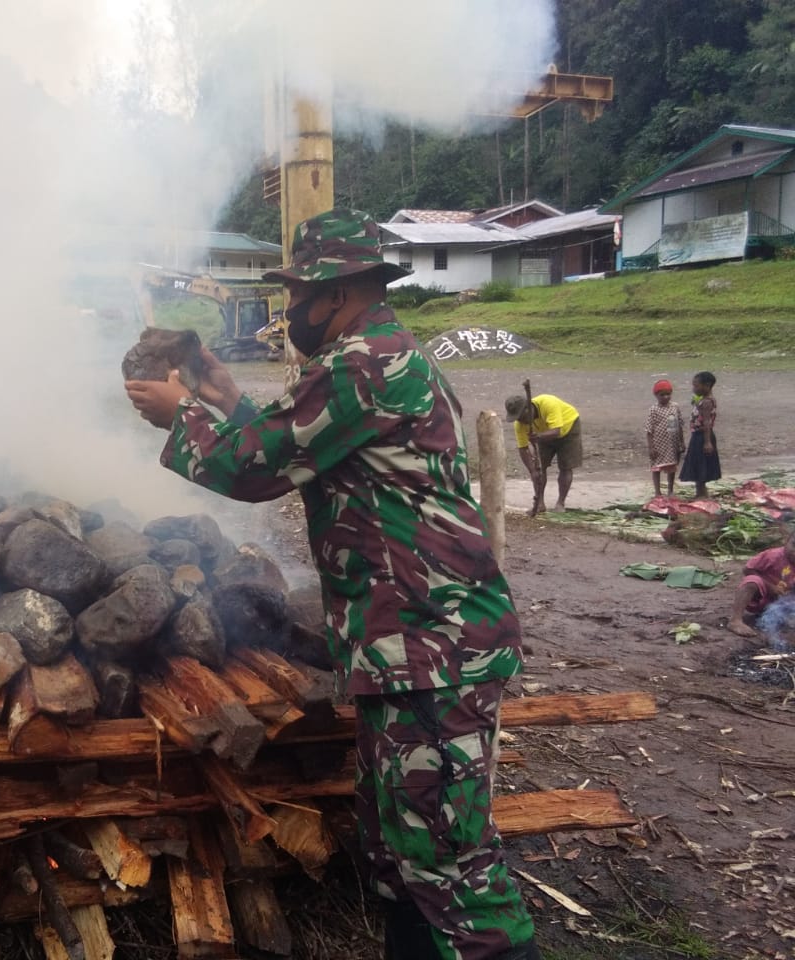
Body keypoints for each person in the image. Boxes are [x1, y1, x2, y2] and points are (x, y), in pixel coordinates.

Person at [126, 208, 540, 960]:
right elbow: (298, 443)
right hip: (411, 650)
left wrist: (178, 412)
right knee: (402, 856)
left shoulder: (363, 364)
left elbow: (256, 470)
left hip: (433, 650)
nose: (290, 313)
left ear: (338, 293)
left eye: (297, 298)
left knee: (450, 866)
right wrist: (222, 397)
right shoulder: (378, 358)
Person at [504, 392, 582, 513]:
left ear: (528, 408)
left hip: (567, 429)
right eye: (517, 418)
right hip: (542, 434)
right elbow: (523, 448)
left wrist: (539, 437)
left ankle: (560, 503)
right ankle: (540, 503)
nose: (521, 421)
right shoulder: (519, 424)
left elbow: (556, 431)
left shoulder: (549, 403)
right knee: (539, 469)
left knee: (565, 466)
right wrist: (532, 470)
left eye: (522, 416)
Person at [727, 529, 795, 638]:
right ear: (786, 541)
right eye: (794, 545)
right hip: (760, 597)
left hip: (779, 604)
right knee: (752, 580)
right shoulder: (773, 555)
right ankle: (735, 620)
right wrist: (770, 587)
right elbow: (748, 569)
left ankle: (779, 620)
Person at [679, 371, 720, 499]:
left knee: (701, 466)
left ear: (707, 385)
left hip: (703, 436)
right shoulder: (703, 400)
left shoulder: (707, 402)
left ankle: (702, 495)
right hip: (698, 435)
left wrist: (707, 442)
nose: (694, 389)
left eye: (696, 386)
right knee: (698, 465)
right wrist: (697, 404)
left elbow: (707, 422)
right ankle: (700, 493)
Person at [645, 378, 684, 498]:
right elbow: (648, 430)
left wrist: (682, 442)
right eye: (662, 395)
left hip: (672, 444)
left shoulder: (675, 407)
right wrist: (651, 447)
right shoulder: (653, 410)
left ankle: (670, 490)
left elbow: (680, 424)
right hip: (658, 444)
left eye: (668, 394)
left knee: (671, 468)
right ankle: (657, 492)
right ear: (656, 395)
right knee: (656, 468)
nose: (666, 397)